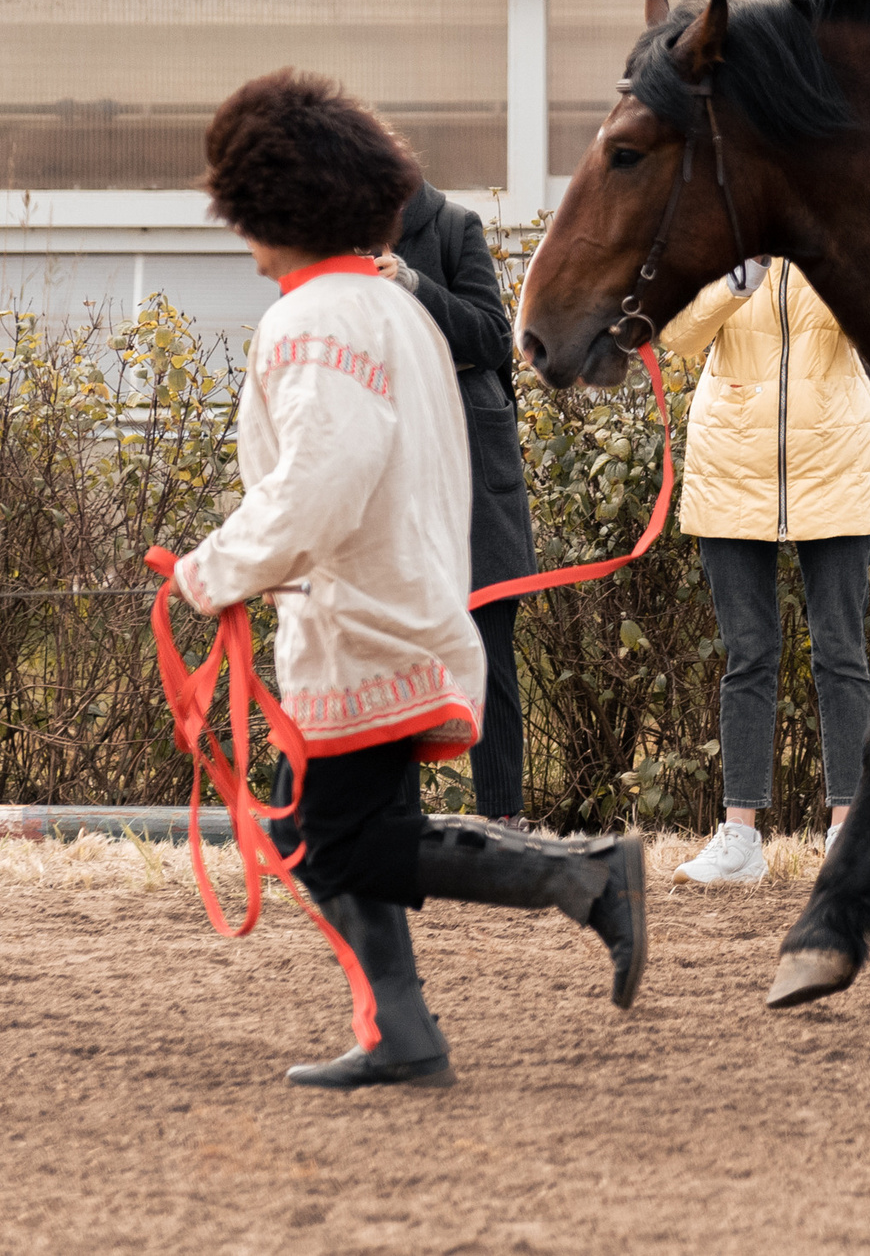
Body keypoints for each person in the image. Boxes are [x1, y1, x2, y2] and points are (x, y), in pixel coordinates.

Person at [175, 68, 646, 1092]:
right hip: (400, 612)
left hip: (363, 626)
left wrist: (213, 570)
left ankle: (582, 875)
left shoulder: (313, 323)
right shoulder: (388, 311)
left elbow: (318, 487)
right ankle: (402, 1029)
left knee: (324, 839)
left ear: (269, 204)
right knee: (334, 830)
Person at [660, 255, 870, 884]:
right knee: (747, 654)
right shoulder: (721, 236)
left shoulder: (834, 221)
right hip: (732, 465)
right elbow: (677, 335)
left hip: (838, 462)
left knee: (841, 651)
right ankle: (739, 840)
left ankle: (849, 832)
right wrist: (737, 280)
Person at [378, 181, 538, 823]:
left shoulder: (452, 226)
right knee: (394, 645)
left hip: (471, 461)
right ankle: (396, 822)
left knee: (487, 645)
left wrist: (413, 284)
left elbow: (494, 339)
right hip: (392, 458)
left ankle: (504, 819)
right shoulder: (338, 240)